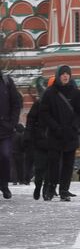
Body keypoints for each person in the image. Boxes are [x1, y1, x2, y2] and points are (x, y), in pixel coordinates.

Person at [37, 66, 80, 201]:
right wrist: (54, 126)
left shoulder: (75, 93)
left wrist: (75, 126)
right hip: (55, 134)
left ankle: (64, 190)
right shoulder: (50, 93)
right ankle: (51, 188)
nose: (65, 76)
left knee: (68, 164)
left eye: (67, 74)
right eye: (63, 74)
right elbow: (44, 112)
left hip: (70, 133)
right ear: (58, 76)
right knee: (53, 163)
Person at [0, 69, 22, 199]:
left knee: (5, 156)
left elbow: (16, 103)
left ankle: (4, 184)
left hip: (5, 128)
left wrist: (12, 122)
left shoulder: (6, 81)